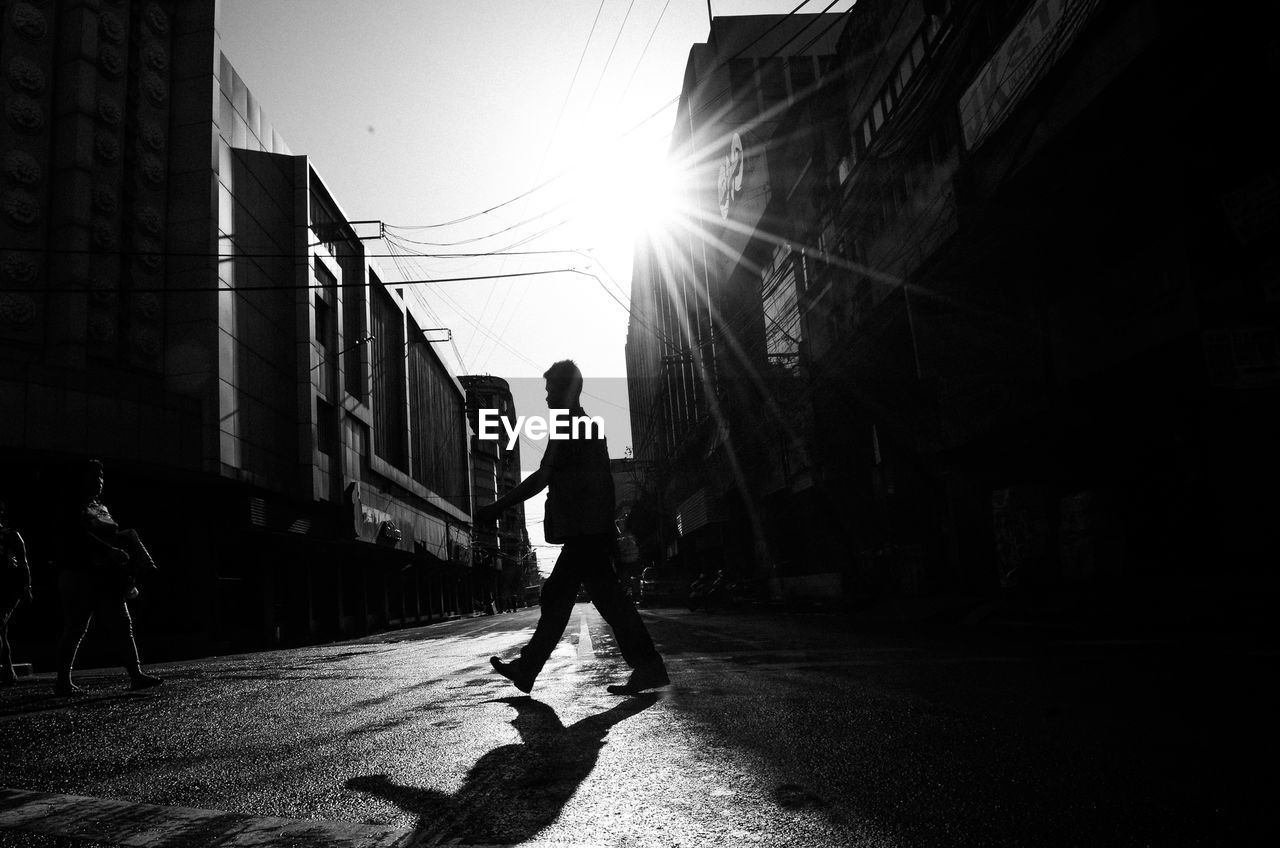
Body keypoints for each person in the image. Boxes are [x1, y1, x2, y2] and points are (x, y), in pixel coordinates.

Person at [476, 360, 668, 696]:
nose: (547, 399)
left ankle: (646, 666)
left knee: (586, 600)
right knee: (577, 598)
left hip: (585, 535)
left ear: (566, 390)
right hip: (590, 533)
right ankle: (530, 668)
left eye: (550, 391)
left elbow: (541, 477)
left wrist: (497, 506)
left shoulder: (568, 427)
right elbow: (604, 485)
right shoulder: (585, 426)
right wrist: (608, 532)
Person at [53, 460, 162, 695]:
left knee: (123, 625)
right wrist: (108, 550)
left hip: (106, 576)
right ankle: (62, 680)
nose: (98, 484)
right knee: (76, 628)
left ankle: (136, 675)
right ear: (81, 480)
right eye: (93, 479)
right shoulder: (73, 505)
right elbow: (76, 535)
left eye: (100, 480)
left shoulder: (101, 507)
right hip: (80, 574)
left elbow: (112, 536)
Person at [1, 500, 33, 686]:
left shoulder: (12, 535)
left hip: (9, 587)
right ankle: (8, 669)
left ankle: (8, 669)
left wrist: (26, 587)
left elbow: (23, 563)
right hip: (7, 586)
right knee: (2, 630)